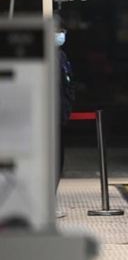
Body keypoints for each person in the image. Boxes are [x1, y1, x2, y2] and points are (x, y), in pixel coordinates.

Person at [56, 26, 75, 218]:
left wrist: (66, 110)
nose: (60, 35)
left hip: (58, 117)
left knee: (57, 159)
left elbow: (69, 84)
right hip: (44, 120)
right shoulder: (40, 55)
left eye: (62, 31)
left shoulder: (61, 56)